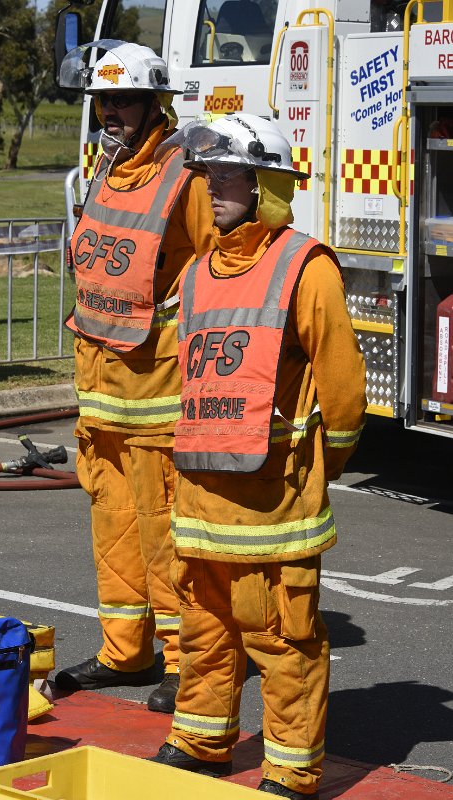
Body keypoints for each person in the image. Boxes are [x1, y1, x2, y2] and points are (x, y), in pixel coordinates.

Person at [149, 113, 367, 797]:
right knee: (205, 628)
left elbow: (342, 384)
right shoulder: (199, 269)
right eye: (208, 173)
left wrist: (322, 465)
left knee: (281, 638)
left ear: (266, 182)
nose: (213, 186)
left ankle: (291, 770)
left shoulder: (306, 267)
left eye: (229, 175)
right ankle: (201, 739)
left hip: (276, 504)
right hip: (204, 499)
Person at [53, 41, 215, 714]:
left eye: (122, 100)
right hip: (102, 390)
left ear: (156, 102)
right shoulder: (105, 164)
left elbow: (220, 268)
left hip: (159, 390)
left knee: (162, 530)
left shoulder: (187, 173)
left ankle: (185, 661)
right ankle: (126, 650)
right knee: (114, 526)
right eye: (102, 101)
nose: (110, 112)